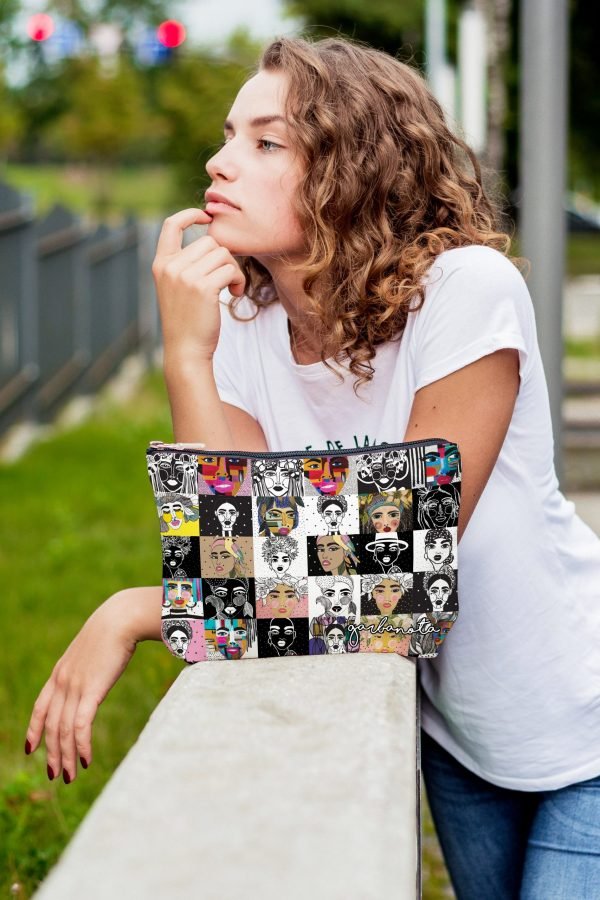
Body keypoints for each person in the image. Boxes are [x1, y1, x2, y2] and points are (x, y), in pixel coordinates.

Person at [24, 35, 600, 897]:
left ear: (355, 168)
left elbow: (396, 571)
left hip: (581, 722)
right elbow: (238, 562)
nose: (218, 162)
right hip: (463, 741)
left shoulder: (465, 291)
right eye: (227, 135)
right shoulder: (242, 331)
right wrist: (187, 355)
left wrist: (136, 611)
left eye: (266, 142)